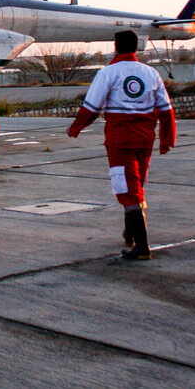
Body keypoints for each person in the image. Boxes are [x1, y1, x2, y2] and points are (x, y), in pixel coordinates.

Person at [67, 30, 176, 260]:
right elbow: (166, 110)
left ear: (116, 46)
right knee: (136, 184)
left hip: (120, 140)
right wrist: (167, 139)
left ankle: (142, 246)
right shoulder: (151, 73)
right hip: (145, 140)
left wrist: (76, 127)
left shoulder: (108, 73)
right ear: (137, 47)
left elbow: (92, 107)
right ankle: (130, 234)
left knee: (126, 189)